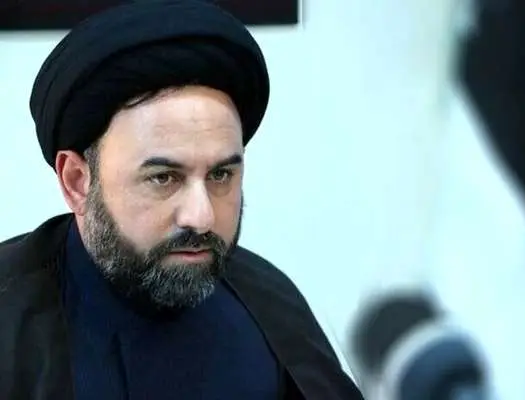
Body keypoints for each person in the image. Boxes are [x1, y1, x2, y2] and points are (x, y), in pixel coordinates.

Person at [0, 1, 364, 399]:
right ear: (77, 181)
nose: (201, 217)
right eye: (163, 178)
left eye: (220, 175)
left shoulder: (270, 304)